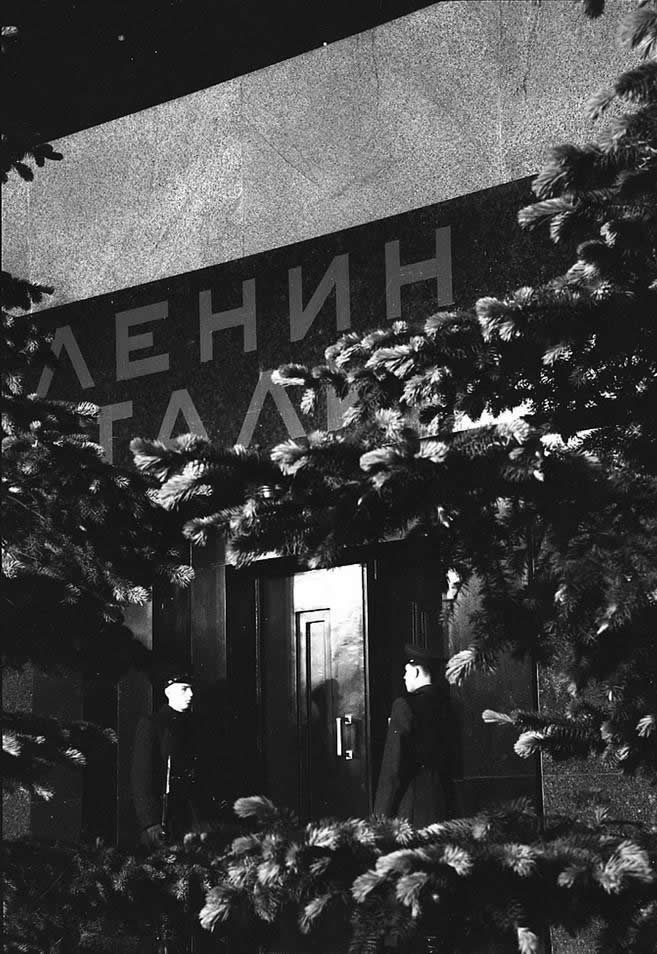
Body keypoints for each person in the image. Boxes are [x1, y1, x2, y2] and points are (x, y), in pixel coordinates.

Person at [373, 643, 451, 826]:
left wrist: (379, 817)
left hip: (414, 809)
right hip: (448, 806)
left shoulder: (404, 706)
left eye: (406, 671)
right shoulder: (451, 705)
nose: (404, 676)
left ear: (415, 672)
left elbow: (392, 769)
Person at [131, 671, 203, 848]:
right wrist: (150, 822)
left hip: (194, 814)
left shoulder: (196, 724)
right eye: (184, 689)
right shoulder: (153, 724)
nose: (190, 694)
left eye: (192, 689)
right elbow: (142, 776)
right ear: (168, 692)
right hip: (166, 816)